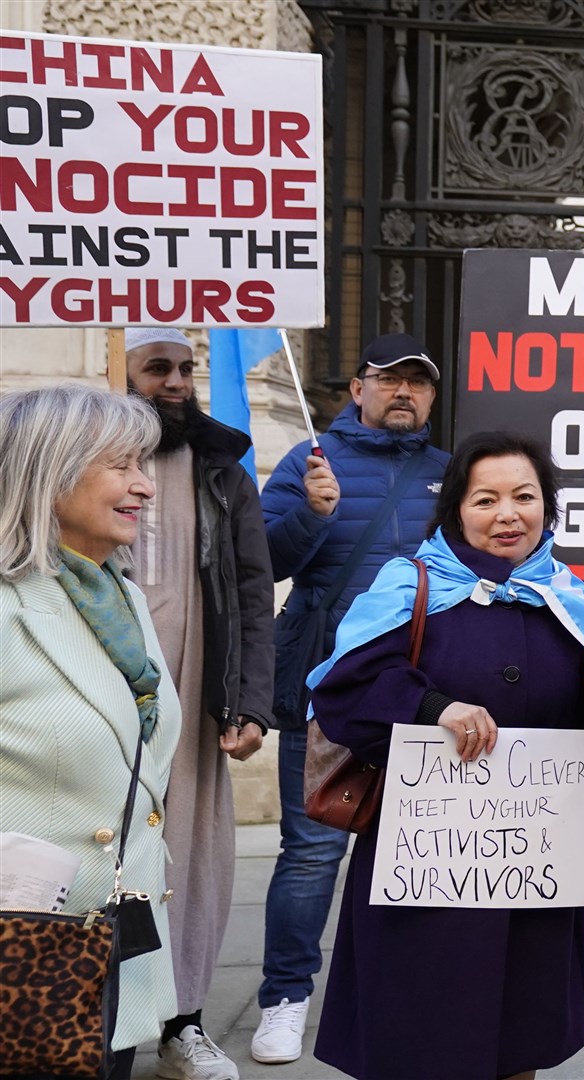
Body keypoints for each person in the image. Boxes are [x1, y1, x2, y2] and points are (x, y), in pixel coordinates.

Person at [305, 430, 584, 1080]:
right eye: (486, 500)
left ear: (547, 507)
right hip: (425, 881)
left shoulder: (569, 601)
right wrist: (431, 708)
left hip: (531, 880)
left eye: (524, 497)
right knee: (420, 1047)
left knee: (516, 1046)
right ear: (456, 510)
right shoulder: (409, 586)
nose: (507, 515)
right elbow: (345, 691)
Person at [251, 333, 450, 1065]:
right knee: (312, 852)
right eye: (388, 379)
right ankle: (283, 999)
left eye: (417, 383)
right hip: (328, 692)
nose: (403, 393)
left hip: (425, 697)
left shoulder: (447, 474)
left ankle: (407, 990)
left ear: (431, 396)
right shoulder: (311, 465)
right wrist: (314, 513)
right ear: (357, 389)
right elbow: (262, 563)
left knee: (420, 850)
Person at [0, 384, 182, 1080]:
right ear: (49, 472)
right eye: (122, 465)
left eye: (145, 465)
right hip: (23, 964)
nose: (145, 486)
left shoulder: (122, 597)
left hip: (105, 960)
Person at [123, 326, 275, 1080]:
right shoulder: (80, 462)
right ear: (123, 376)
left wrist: (249, 703)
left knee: (194, 858)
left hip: (197, 702)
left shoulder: (223, 467)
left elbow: (252, 593)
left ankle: (181, 1023)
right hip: (105, 703)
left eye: (186, 368)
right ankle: (102, 1020)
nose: (177, 381)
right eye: (158, 368)